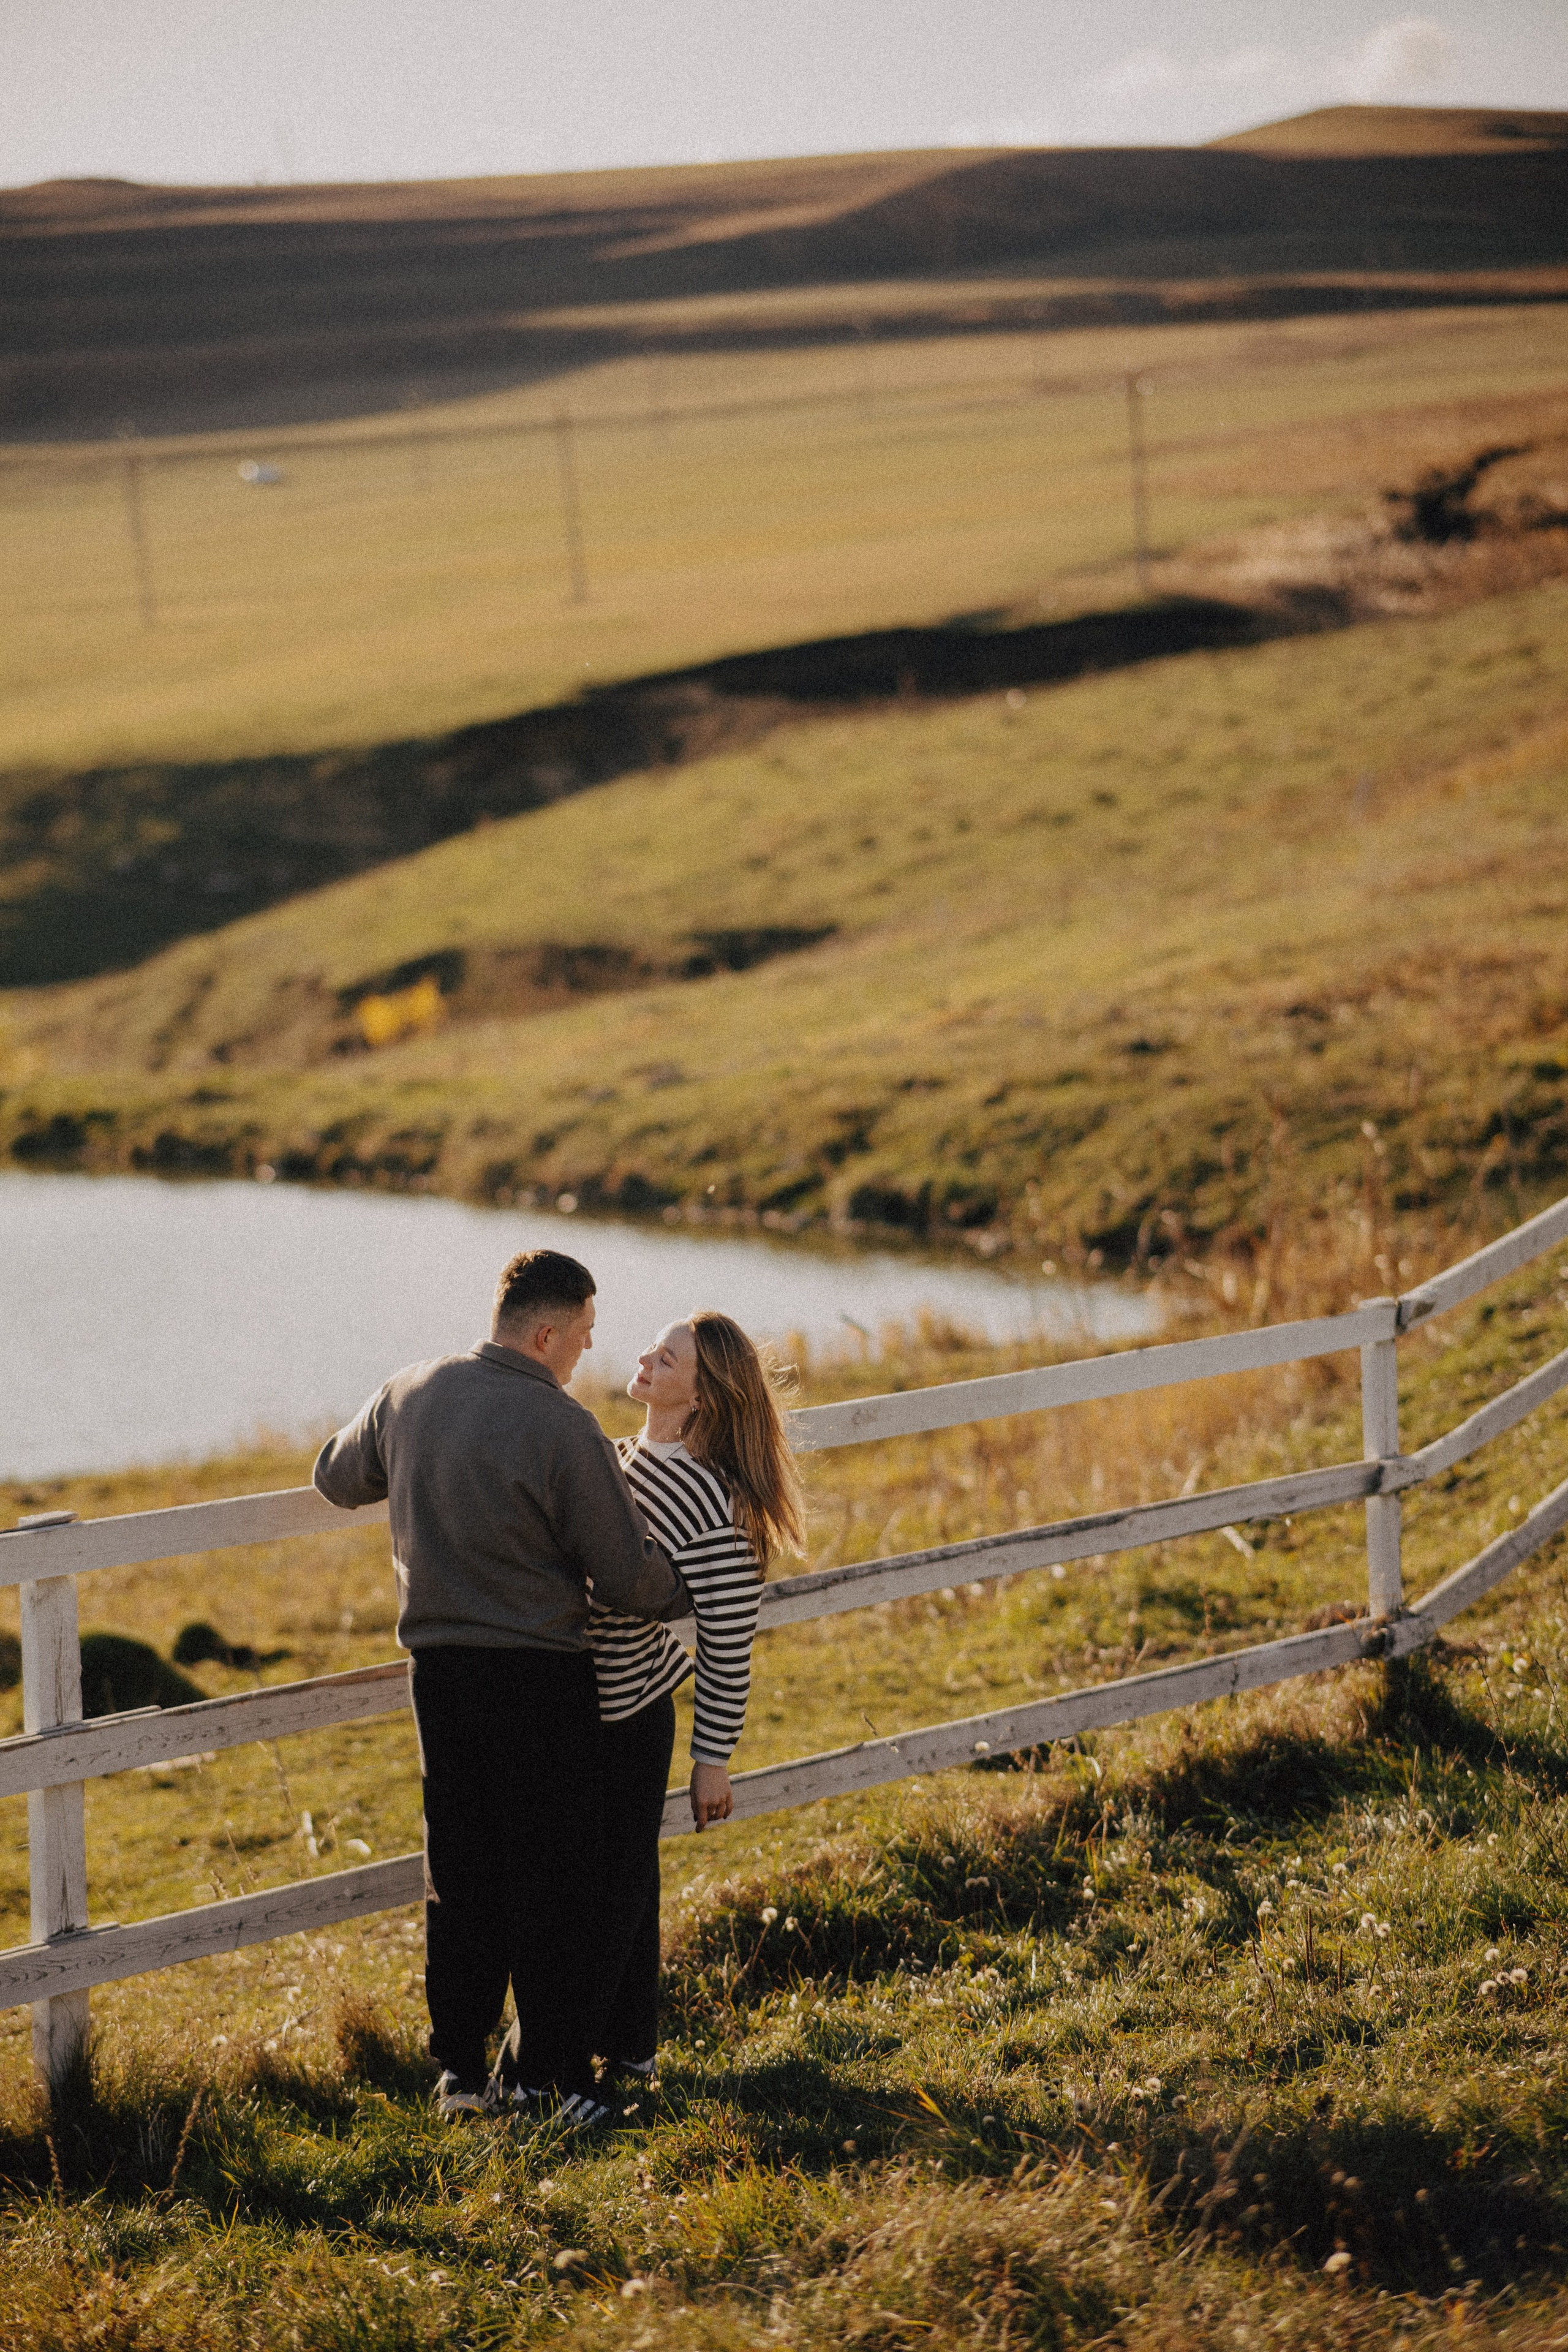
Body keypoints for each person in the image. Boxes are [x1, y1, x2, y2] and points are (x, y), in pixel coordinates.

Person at [312, 1249, 684, 2124]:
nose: (587, 1355)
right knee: (555, 1876)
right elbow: (624, 1575)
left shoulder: (410, 1391)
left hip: (440, 1675)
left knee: (464, 1869)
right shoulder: (563, 1428)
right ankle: (548, 2080)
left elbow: (335, 1477)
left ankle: (462, 2075)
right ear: (548, 1332)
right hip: (542, 1676)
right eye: (586, 1337)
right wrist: (686, 1585)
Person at [561, 1311, 805, 2099]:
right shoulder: (617, 1456)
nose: (644, 1360)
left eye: (666, 1361)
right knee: (618, 1884)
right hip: (577, 1706)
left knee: (610, 1891)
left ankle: (574, 2065)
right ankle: (631, 2052)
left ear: (701, 1398)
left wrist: (712, 1763)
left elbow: (730, 1644)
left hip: (632, 1714)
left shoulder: (715, 1503)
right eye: (654, 1349)